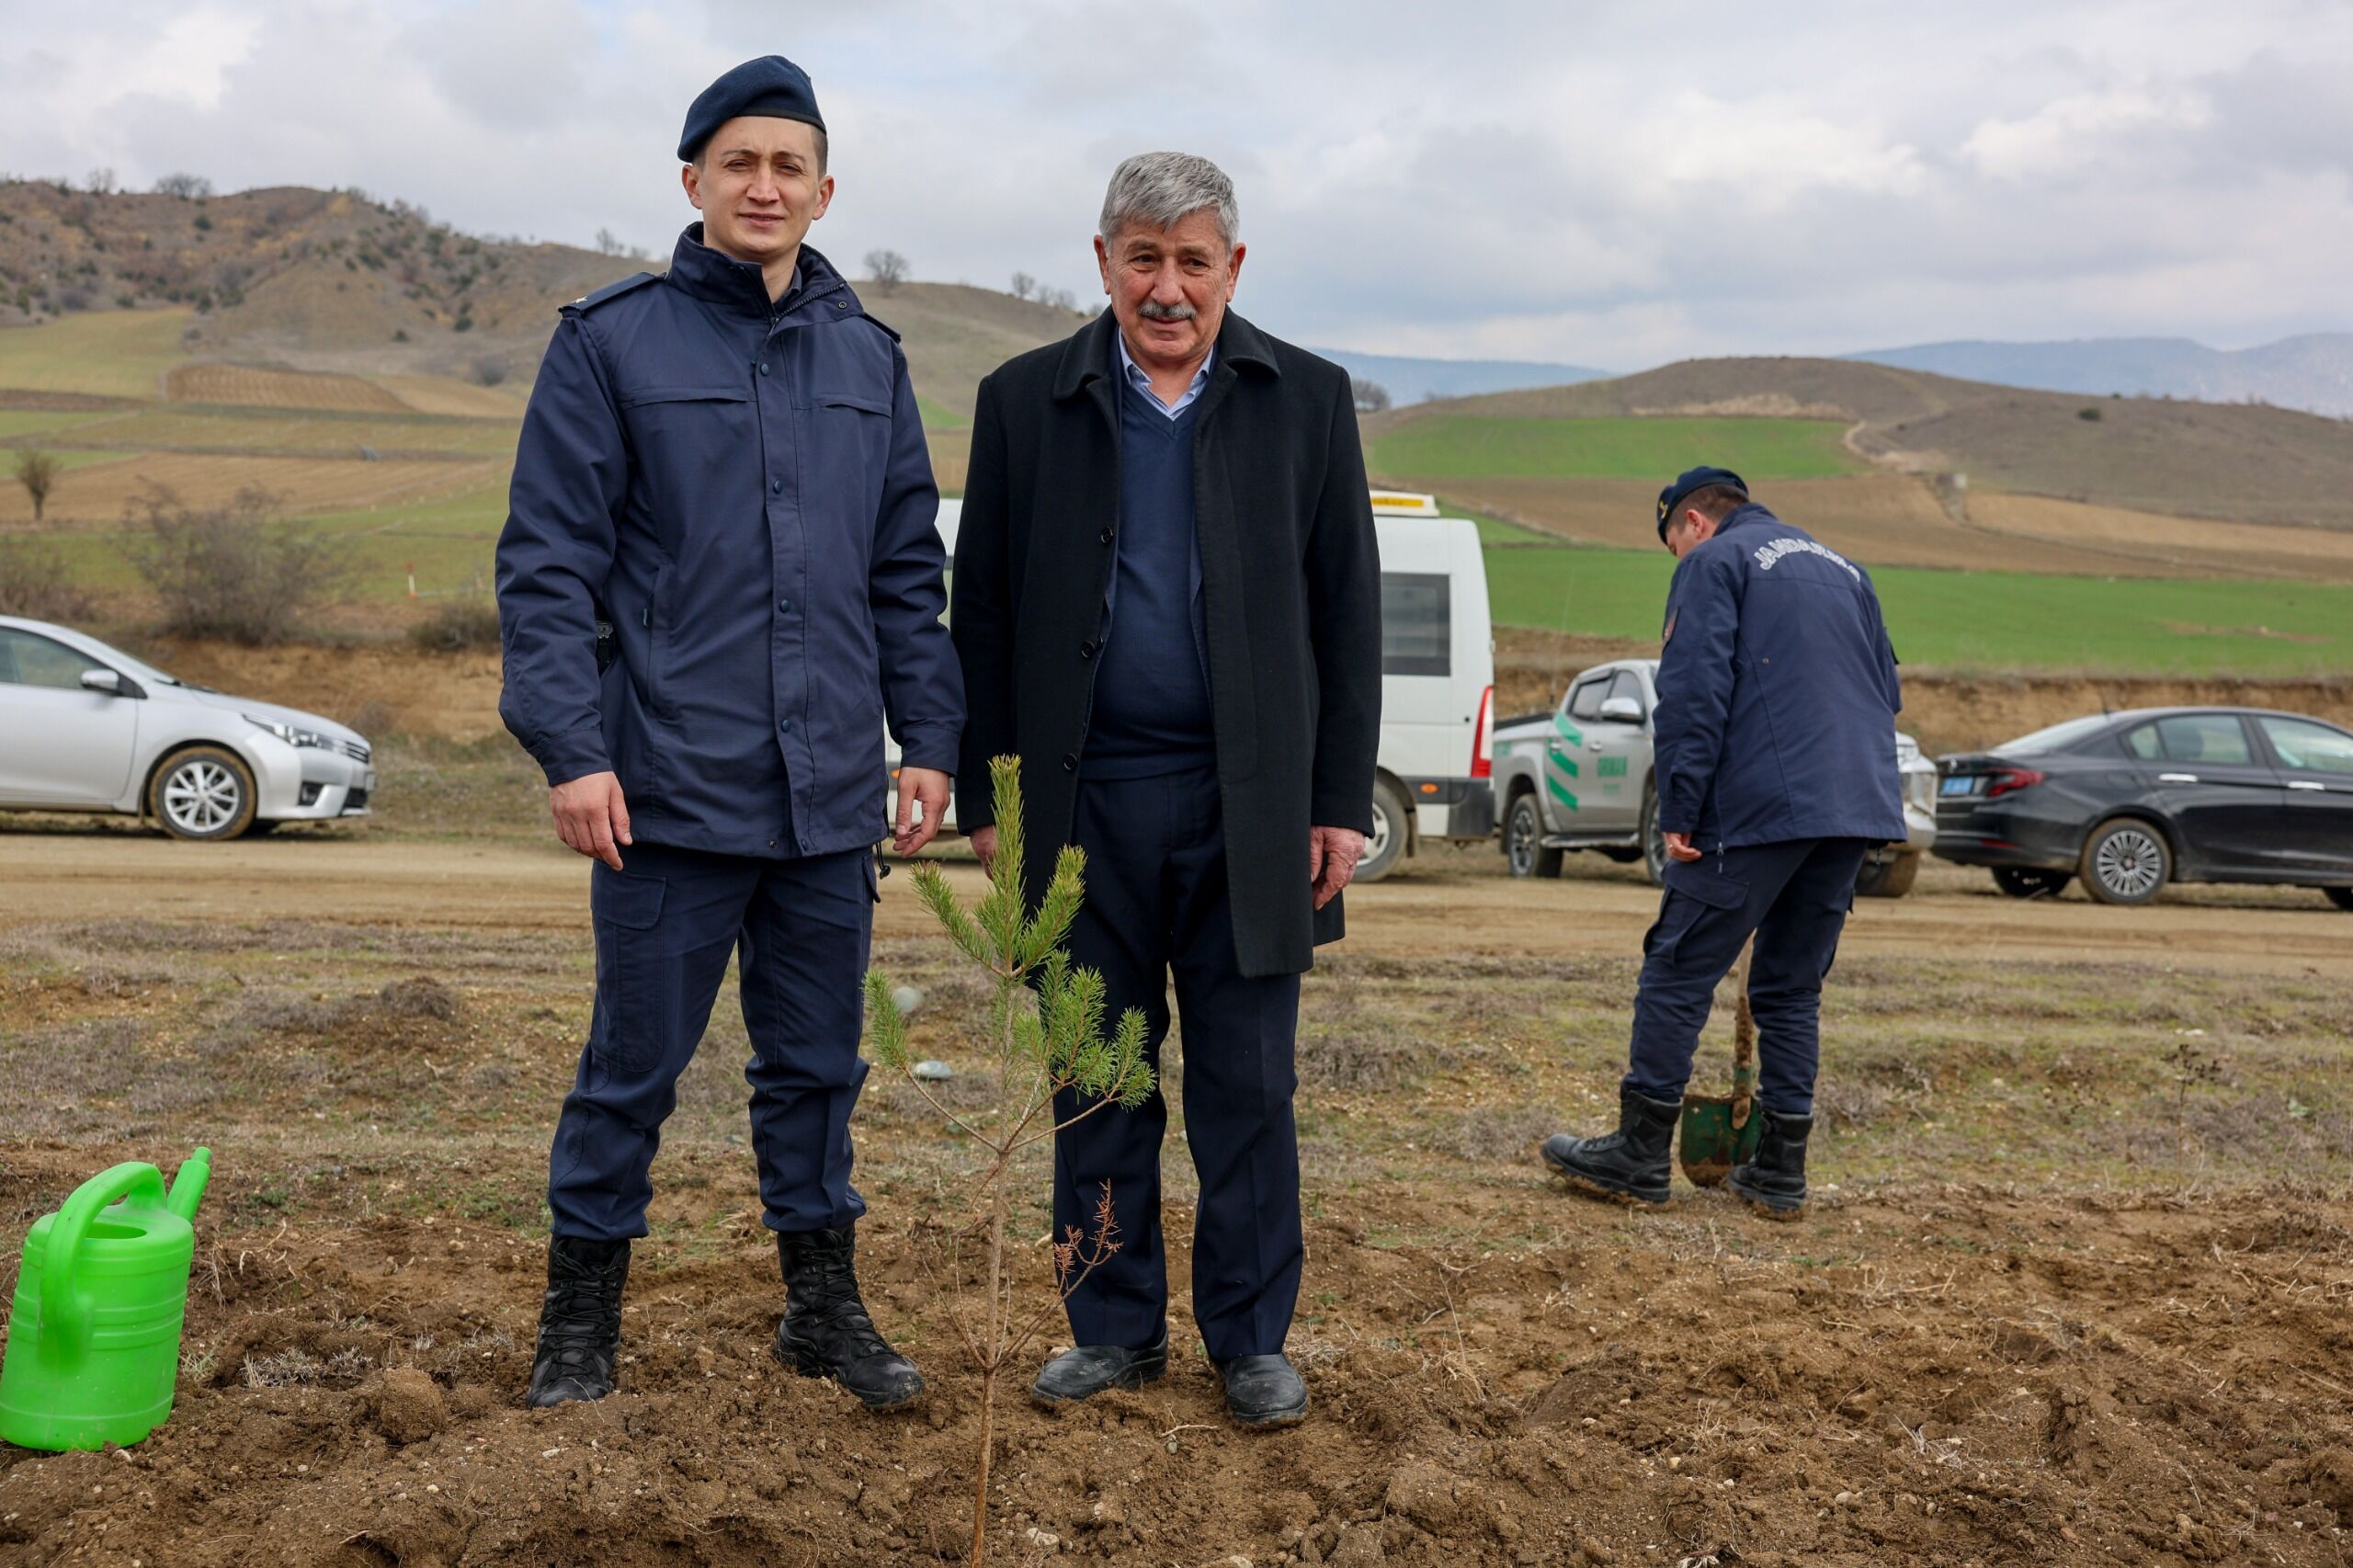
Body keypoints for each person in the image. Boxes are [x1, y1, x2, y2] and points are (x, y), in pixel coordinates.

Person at [494, 54, 960, 1412]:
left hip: (827, 802)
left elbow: (900, 575)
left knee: (818, 1067)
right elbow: (547, 567)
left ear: (826, 190)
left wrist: (925, 740)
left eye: (790, 165)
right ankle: (580, 1323)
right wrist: (572, 749)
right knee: (629, 1071)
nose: (767, 186)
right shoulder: (610, 341)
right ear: (693, 179)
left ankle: (822, 1309)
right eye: (740, 162)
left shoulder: (869, 360)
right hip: (664, 793)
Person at [949, 152, 1381, 1427]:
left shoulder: (1305, 397)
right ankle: (1112, 1326)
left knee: (1249, 1085)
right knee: (1097, 1078)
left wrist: (1339, 801)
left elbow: (1347, 614)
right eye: (1144, 256)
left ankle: (1250, 1339)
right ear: (1102, 263)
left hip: (1253, 811)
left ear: (1234, 269)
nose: (1169, 284)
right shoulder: (1025, 401)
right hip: (1085, 808)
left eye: (1194, 259)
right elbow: (981, 615)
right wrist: (996, 797)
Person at [1540, 467, 1903, 1218]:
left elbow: (1694, 687)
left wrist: (1682, 804)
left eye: (1672, 542)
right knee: (1791, 986)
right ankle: (1778, 1171)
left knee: (1676, 968)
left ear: (1693, 524)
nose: (1677, 555)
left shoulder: (1714, 563)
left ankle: (1639, 1156)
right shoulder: (1846, 569)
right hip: (1855, 804)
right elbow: (1885, 692)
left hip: (1758, 804)